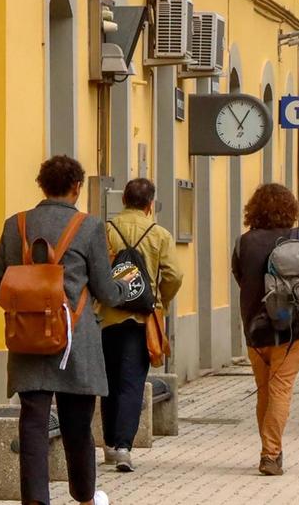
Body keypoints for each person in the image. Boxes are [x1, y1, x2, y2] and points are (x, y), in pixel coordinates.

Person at [0, 156, 133, 505]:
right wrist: (125, 288)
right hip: (74, 342)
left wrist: (28, 307)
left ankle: (35, 500)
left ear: (42, 185)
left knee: (33, 423)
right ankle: (84, 495)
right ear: (77, 187)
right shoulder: (89, 226)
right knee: (77, 425)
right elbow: (105, 289)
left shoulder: (14, 225)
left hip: (27, 339)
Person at [231, 183, 299, 476]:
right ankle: (270, 454)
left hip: (256, 329)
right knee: (280, 389)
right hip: (293, 329)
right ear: (291, 209)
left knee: (265, 391)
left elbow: (240, 279)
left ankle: (270, 451)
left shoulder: (244, 243)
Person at [99, 178, 183, 472]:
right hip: (142, 320)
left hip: (107, 317)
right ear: (150, 204)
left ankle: (109, 444)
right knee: (132, 382)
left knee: (108, 381)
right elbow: (174, 274)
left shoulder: (106, 230)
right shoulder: (159, 234)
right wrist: (161, 301)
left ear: (123, 199)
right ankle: (124, 447)